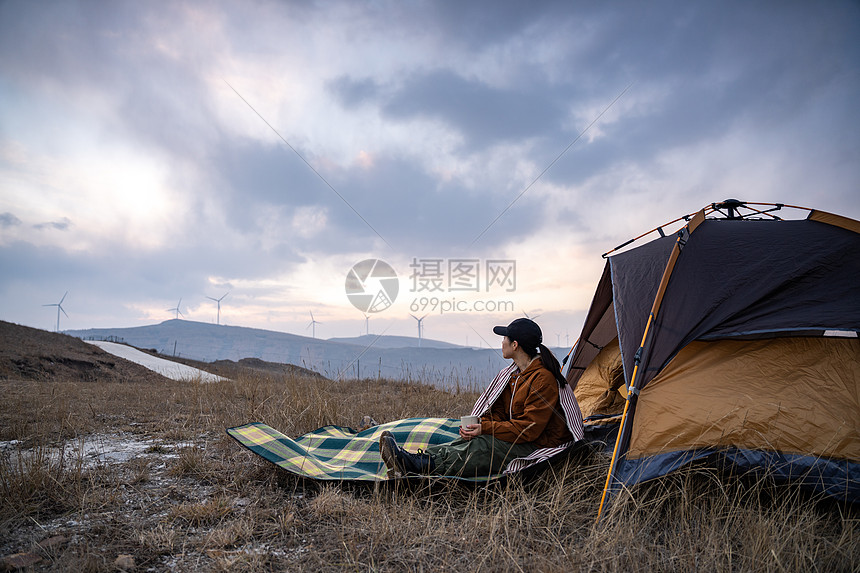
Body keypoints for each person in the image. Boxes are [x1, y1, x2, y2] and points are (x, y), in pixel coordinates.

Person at [379, 318, 583, 478]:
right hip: (522, 437)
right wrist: (480, 425)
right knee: (464, 441)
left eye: (504, 339)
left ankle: (420, 467)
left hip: (540, 444)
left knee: (482, 446)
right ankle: (416, 461)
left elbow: (529, 429)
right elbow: (500, 412)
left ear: (515, 345)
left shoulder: (542, 379)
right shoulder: (514, 376)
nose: (501, 343)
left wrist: (485, 429)